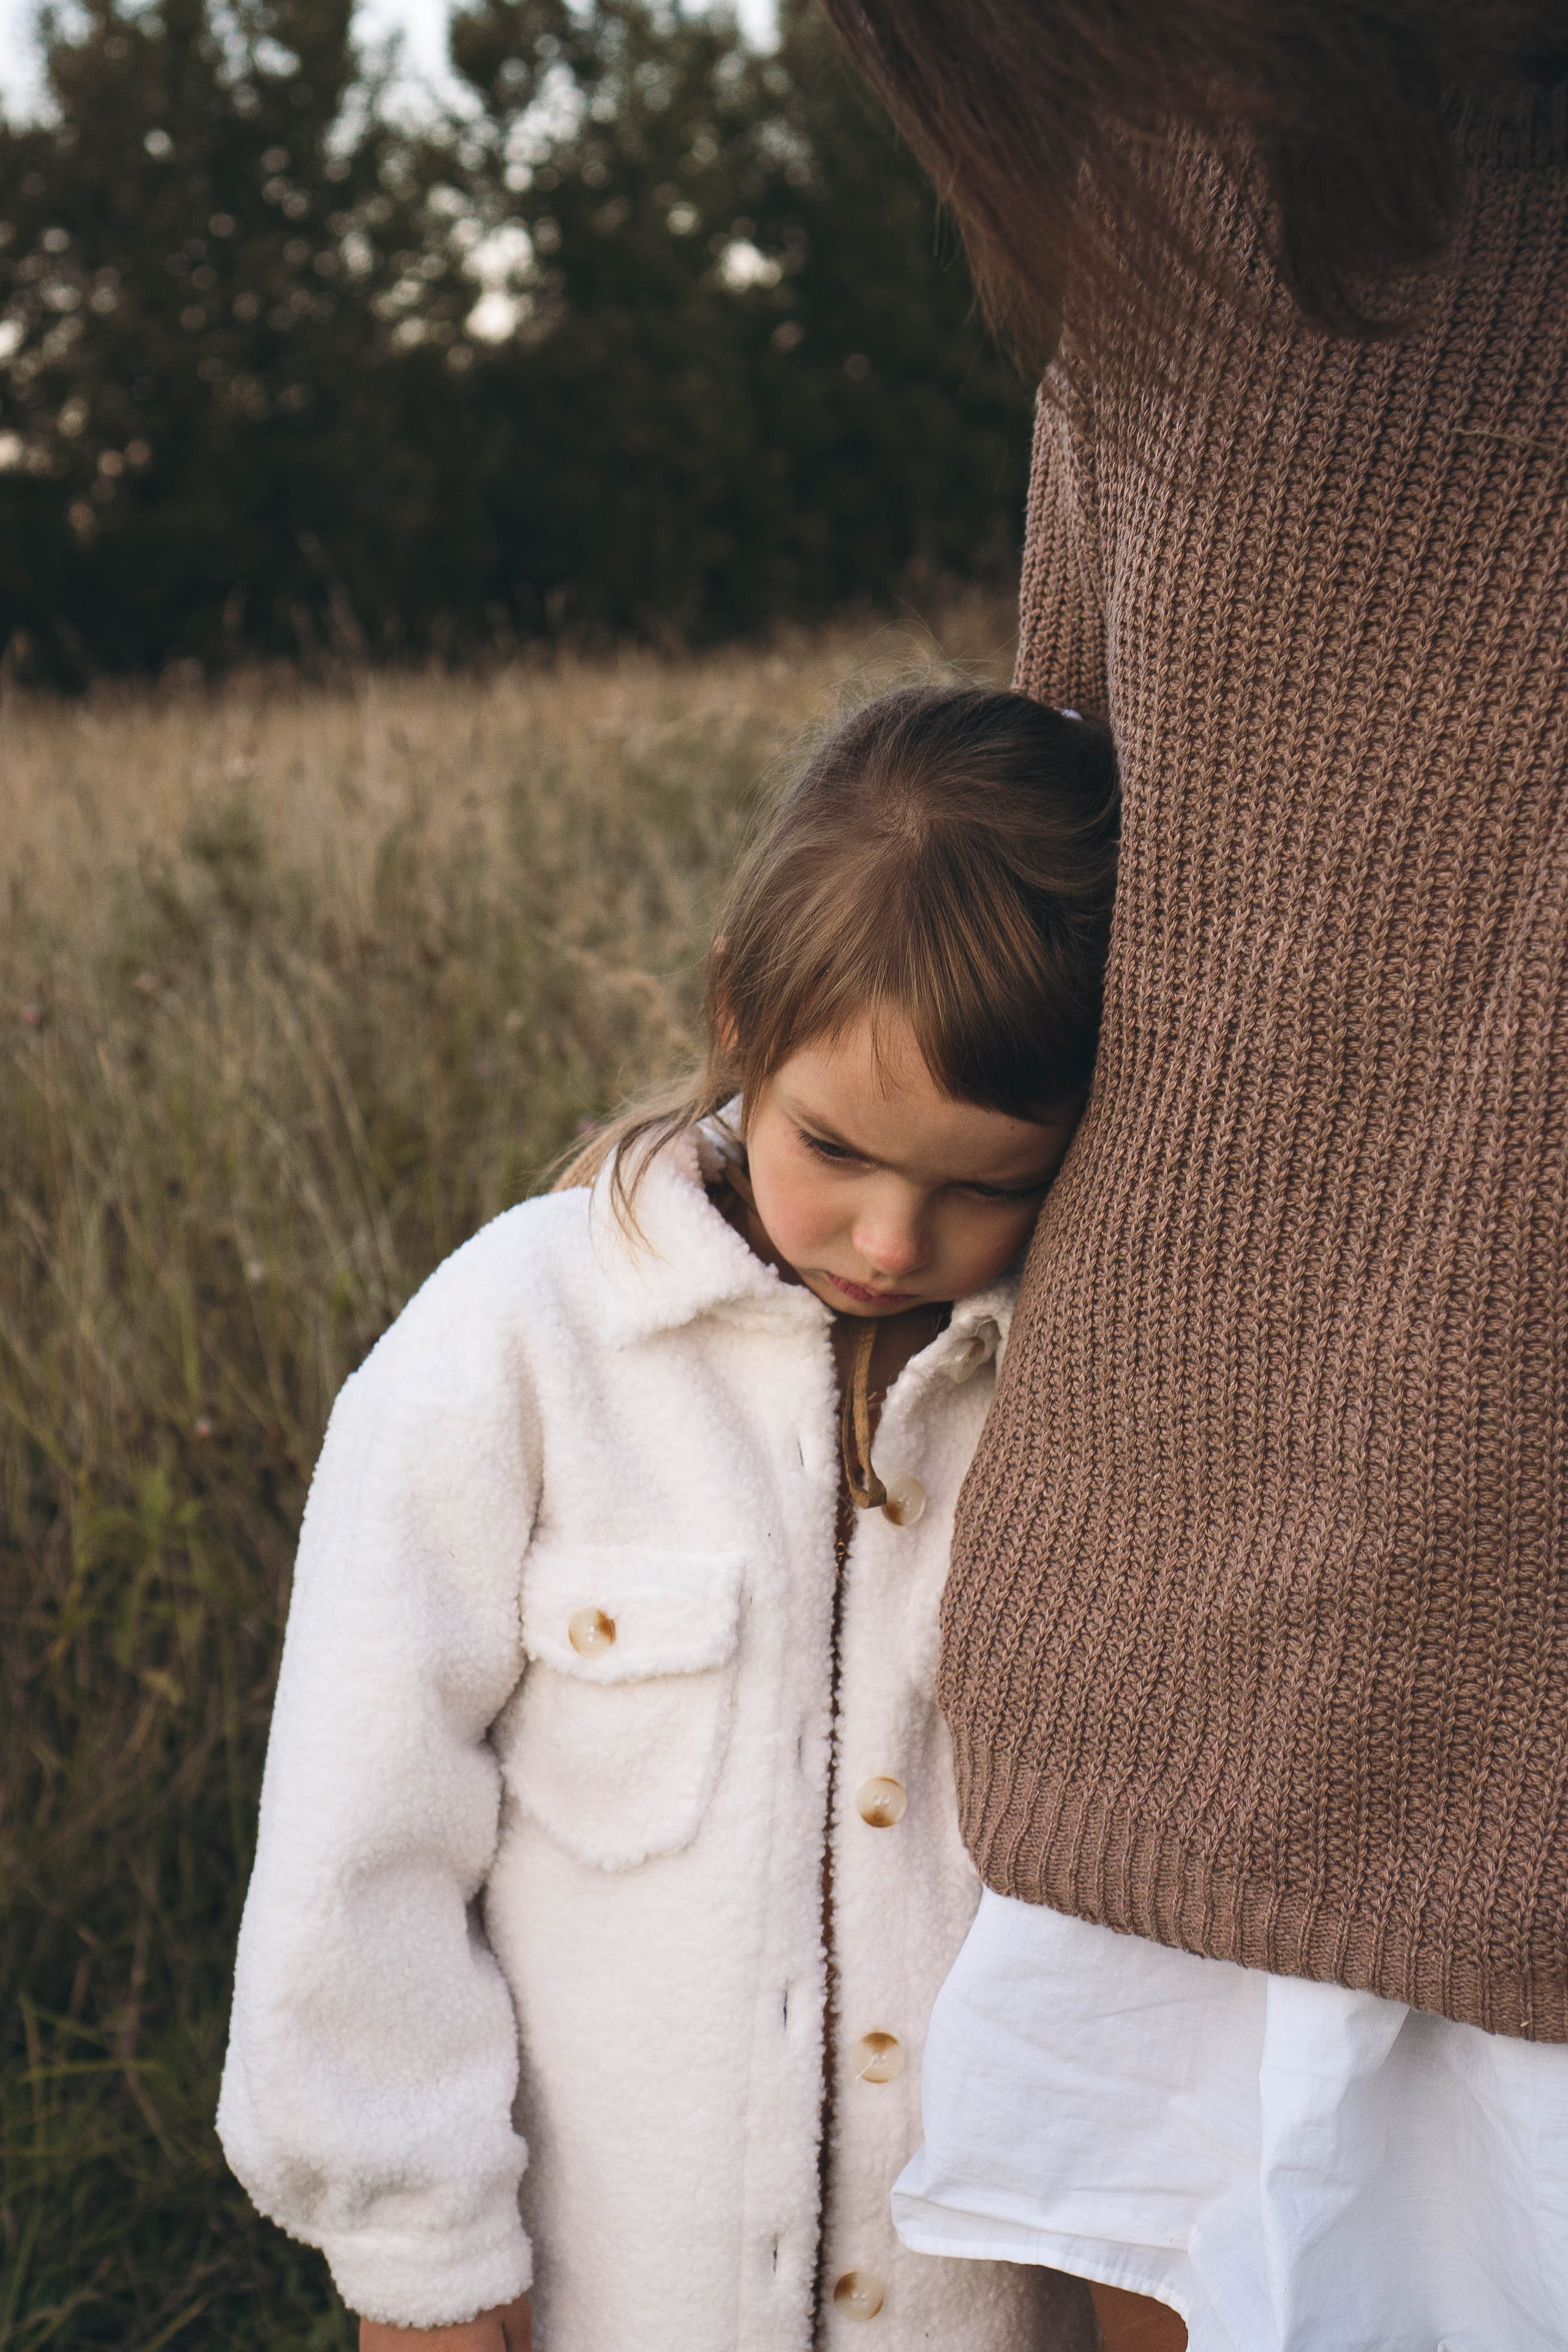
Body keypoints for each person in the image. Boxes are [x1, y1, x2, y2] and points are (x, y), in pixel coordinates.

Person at [811, 2, 1568, 2348]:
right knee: (1165, 2246)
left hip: (1516, 1605)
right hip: (1167, 1590)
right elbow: (1069, 829)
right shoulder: (1169, 173)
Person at [216, 683, 1118, 2351]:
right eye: (834, 1146)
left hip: (975, 2315)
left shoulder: (1077, 1393)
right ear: (738, 1019)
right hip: (609, 2300)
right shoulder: (515, 1347)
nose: (893, 1237)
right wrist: (419, 2259)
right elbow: (365, 1829)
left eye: (986, 1181)